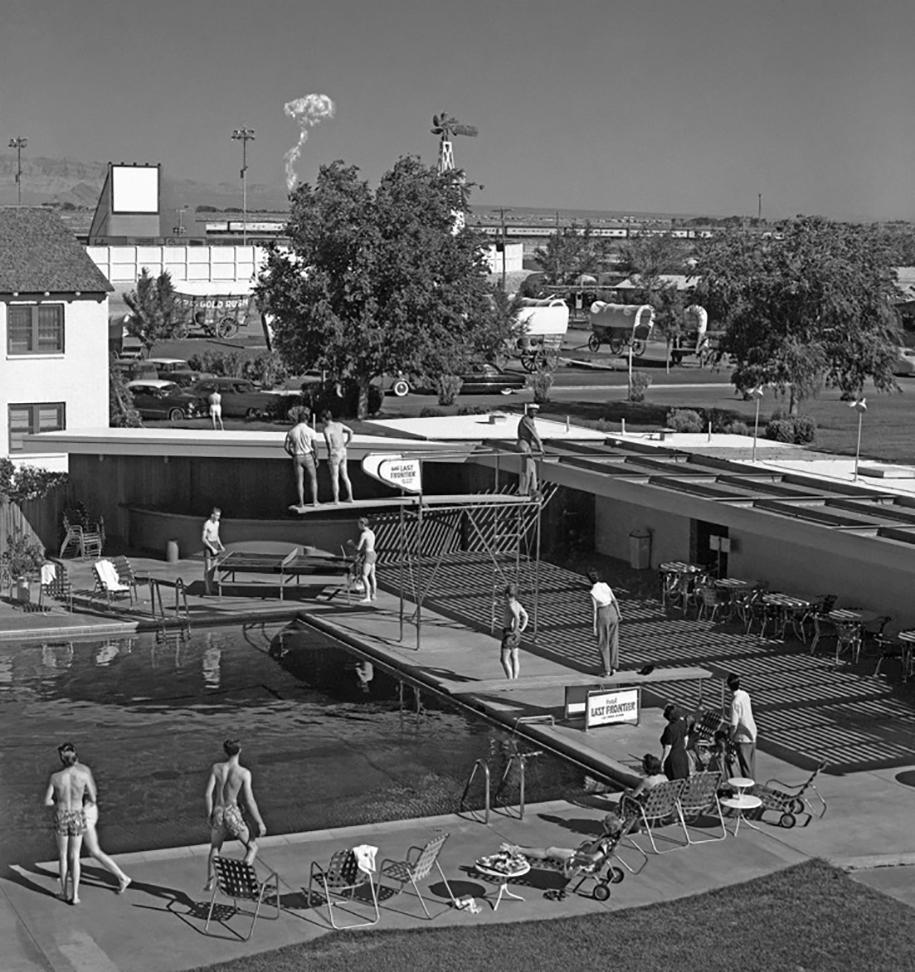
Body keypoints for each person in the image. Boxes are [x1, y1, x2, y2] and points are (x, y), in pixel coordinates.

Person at [204, 739, 266, 890]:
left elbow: (207, 794)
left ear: (225, 751)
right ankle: (239, 879)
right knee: (252, 847)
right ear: (239, 751)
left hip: (218, 811)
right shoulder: (244, 773)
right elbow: (250, 800)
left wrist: (210, 814)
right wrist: (259, 822)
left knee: (215, 847)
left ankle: (210, 882)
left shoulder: (216, 768)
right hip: (232, 813)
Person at [77, 756, 132, 893]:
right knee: (74, 844)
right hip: (88, 812)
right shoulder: (83, 770)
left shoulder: (80, 774)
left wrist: (80, 812)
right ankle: (70, 871)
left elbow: (91, 797)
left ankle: (122, 877)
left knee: (94, 851)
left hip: (85, 815)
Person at [505, 810, 625, 873]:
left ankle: (518, 850)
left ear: (609, 828)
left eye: (604, 823)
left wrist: (581, 855)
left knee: (550, 851)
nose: (602, 824)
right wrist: (589, 845)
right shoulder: (611, 838)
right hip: (581, 856)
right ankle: (519, 849)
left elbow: (594, 858)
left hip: (581, 862)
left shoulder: (606, 842)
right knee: (551, 850)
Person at [44, 742, 88, 904]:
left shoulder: (55, 777)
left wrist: (58, 802)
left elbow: (47, 801)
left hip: (62, 814)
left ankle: (64, 892)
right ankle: (75, 895)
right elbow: (90, 796)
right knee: (75, 856)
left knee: (63, 855)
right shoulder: (82, 776)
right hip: (77, 814)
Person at [284, 407, 320, 510]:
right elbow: (315, 446)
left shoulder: (291, 432)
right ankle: (315, 501)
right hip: (308, 456)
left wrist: (292, 454)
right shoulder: (311, 431)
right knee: (313, 479)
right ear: (306, 420)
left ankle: (301, 502)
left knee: (300, 481)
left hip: (297, 456)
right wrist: (316, 458)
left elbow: (286, 447)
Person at [587, 570, 621, 676]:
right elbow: (614, 599)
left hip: (602, 613)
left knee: (603, 642)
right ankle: (614, 666)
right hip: (612, 611)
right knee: (613, 640)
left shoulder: (592, 592)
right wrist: (618, 613)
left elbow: (594, 610)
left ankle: (607, 669)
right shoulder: (605, 585)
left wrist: (594, 627)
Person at [728, 673, 758, 780]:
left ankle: (748, 788)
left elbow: (734, 725)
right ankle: (752, 785)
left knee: (746, 769)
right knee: (751, 766)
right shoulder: (745, 695)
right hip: (752, 732)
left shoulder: (735, 702)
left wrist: (730, 737)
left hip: (742, 737)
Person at [322, 410, 354, 504]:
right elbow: (351, 431)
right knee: (345, 476)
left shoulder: (327, 429)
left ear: (324, 418)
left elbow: (328, 442)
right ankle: (350, 497)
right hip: (343, 451)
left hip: (335, 452)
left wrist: (329, 453)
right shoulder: (339, 425)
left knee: (335, 477)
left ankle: (336, 500)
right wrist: (347, 443)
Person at [500, 583, 529, 680]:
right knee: (514, 657)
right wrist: (521, 629)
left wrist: (515, 628)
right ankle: (515, 678)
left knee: (504, 659)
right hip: (516, 634)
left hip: (509, 633)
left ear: (507, 595)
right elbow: (525, 616)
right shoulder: (517, 604)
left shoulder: (511, 605)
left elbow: (517, 617)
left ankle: (510, 680)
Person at [516, 404, 543, 497]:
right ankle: (524, 491)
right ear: (529, 411)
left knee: (531, 467)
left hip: (527, 445)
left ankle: (532, 489)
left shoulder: (529, 420)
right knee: (527, 468)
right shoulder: (526, 420)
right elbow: (534, 434)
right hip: (524, 444)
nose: (534, 413)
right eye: (533, 411)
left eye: (536, 411)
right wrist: (540, 446)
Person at [660, 703, 691, 780]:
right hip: (682, 755)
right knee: (683, 778)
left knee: (673, 779)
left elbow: (668, 747)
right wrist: (683, 747)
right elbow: (686, 738)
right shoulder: (683, 723)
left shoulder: (669, 729)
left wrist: (663, 761)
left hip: (673, 758)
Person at [202, 508, 225, 596]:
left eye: (219, 516)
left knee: (213, 569)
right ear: (212, 515)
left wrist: (220, 545)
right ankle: (207, 589)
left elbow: (216, 535)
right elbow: (203, 539)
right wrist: (212, 549)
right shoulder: (207, 524)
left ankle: (211, 586)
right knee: (208, 569)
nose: (218, 517)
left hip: (215, 544)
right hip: (209, 546)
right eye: (217, 515)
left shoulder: (217, 523)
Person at [356, 518, 377, 604]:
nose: (358, 526)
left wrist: (351, 544)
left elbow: (358, 548)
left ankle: (367, 597)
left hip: (368, 555)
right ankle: (374, 594)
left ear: (362, 524)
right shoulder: (372, 532)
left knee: (364, 576)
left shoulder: (364, 534)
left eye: (359, 524)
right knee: (372, 575)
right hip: (373, 554)